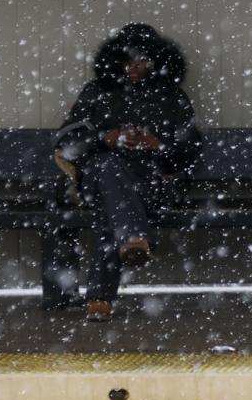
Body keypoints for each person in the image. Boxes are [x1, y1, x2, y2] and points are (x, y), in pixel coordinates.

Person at [54, 23, 201, 322]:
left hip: (149, 183)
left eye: (141, 60)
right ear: (115, 60)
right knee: (110, 169)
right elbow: (66, 143)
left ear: (156, 61)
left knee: (114, 205)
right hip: (97, 182)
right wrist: (104, 139)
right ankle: (133, 239)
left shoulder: (171, 96)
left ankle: (100, 297)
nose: (134, 67)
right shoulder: (97, 93)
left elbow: (191, 149)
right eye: (128, 60)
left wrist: (158, 145)